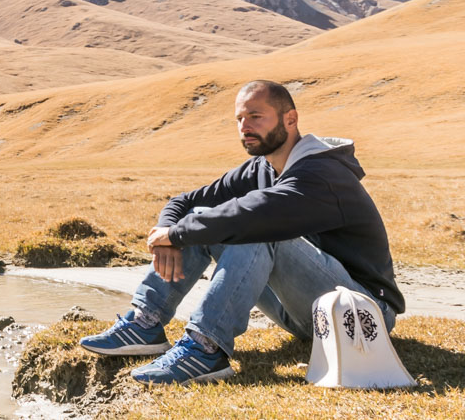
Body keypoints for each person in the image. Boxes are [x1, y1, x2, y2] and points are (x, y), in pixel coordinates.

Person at [78, 79, 404, 384]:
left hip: (361, 315)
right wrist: (167, 230)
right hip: (304, 312)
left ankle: (206, 349)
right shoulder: (261, 167)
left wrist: (177, 235)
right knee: (200, 217)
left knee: (260, 229)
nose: (244, 127)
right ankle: (145, 323)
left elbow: (255, 214)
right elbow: (189, 202)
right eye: (239, 119)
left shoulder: (322, 172)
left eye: (256, 116)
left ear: (290, 119)